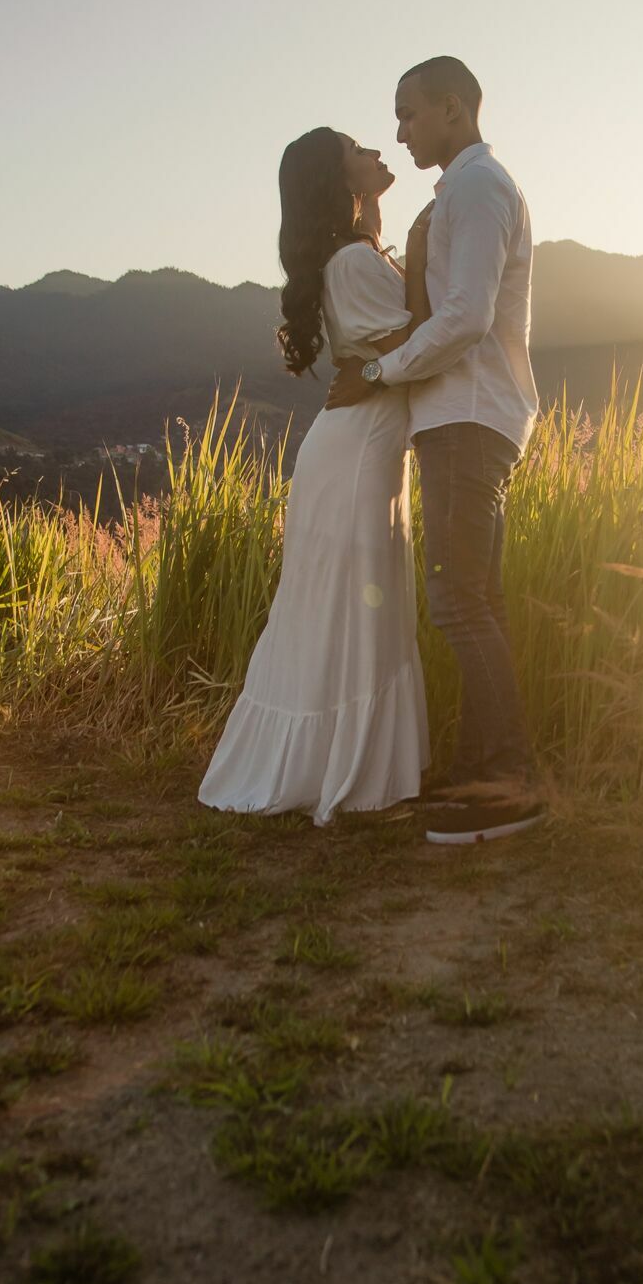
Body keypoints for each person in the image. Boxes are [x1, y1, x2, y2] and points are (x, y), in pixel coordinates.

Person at [326, 56, 544, 845]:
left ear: (453, 108)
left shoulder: (479, 186)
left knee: (456, 602)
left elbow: (465, 316)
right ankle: (483, 770)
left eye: (408, 113)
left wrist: (379, 373)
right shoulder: (462, 189)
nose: (399, 132)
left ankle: (509, 781)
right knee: (474, 598)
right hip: (465, 414)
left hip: (467, 414)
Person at [198, 126, 432, 825]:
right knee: (355, 609)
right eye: (358, 150)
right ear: (340, 180)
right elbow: (424, 340)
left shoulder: (356, 254)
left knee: (346, 606)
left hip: (360, 448)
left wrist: (379, 228)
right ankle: (355, 778)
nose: (377, 152)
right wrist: (412, 255)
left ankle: (352, 767)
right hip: (356, 454)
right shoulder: (354, 262)